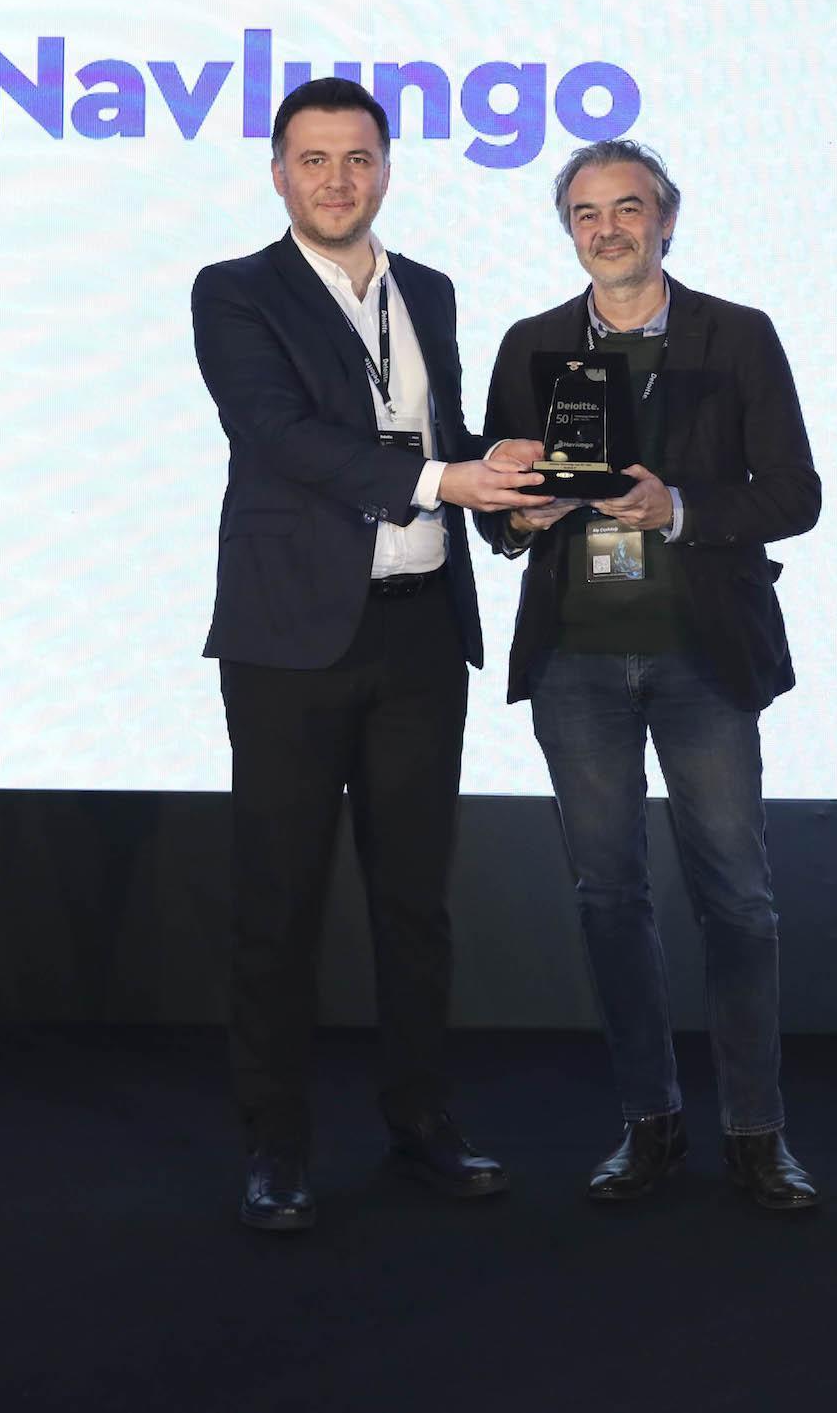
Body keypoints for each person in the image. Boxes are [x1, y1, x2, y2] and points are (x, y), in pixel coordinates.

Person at [191, 76, 552, 1234]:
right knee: (279, 901)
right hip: (289, 638)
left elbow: (440, 442)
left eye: (357, 158)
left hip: (418, 630)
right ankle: (275, 1146)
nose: (337, 179)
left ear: (387, 168)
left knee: (414, 899)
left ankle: (422, 1123)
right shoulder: (234, 291)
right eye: (314, 159)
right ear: (278, 174)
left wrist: (509, 493)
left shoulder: (428, 291)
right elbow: (280, 437)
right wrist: (450, 476)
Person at [476, 138, 825, 1211]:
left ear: (665, 219)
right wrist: (520, 510)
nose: (608, 229)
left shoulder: (738, 334)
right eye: (586, 213)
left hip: (700, 653)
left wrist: (678, 507)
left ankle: (756, 1132)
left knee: (739, 899)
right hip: (575, 661)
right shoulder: (531, 344)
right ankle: (649, 1122)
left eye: (627, 208)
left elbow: (796, 495)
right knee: (609, 897)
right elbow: (496, 515)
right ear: (568, 230)